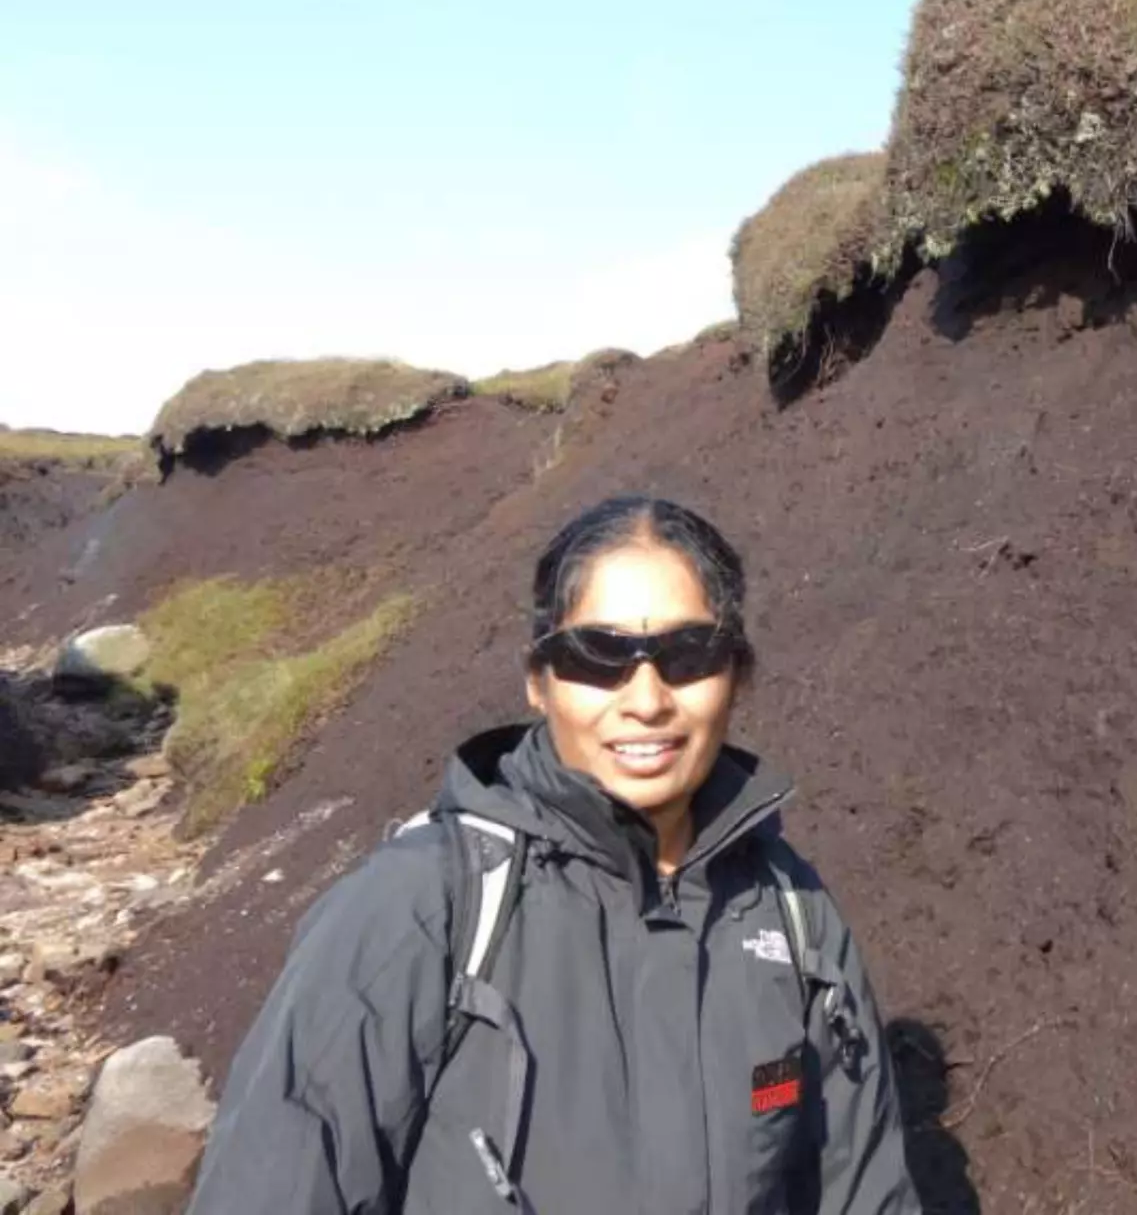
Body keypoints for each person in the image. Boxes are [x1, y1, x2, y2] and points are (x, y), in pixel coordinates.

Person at [188, 494, 922, 1214]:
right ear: (537, 681)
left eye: (688, 654)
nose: (646, 699)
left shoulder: (795, 919)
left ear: (737, 675)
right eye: (598, 657)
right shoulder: (420, 910)